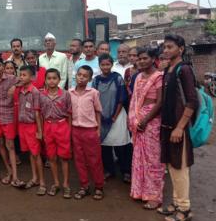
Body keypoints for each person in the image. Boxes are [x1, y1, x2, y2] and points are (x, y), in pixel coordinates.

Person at [159, 34, 198, 221]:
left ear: (180, 49)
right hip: (167, 126)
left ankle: (184, 209)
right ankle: (176, 203)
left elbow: (192, 101)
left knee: (180, 168)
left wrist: (180, 128)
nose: (166, 50)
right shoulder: (168, 70)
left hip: (177, 128)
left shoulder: (184, 70)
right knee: (172, 167)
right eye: (164, 47)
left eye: (170, 47)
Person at [128, 46, 165, 210]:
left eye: (145, 58)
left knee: (153, 160)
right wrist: (136, 119)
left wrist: (146, 119)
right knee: (139, 158)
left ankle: (154, 196)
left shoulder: (158, 77)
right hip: (138, 120)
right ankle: (140, 191)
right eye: (139, 58)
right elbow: (135, 100)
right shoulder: (138, 77)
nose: (141, 61)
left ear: (153, 59)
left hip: (152, 122)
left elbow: (160, 102)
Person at [92, 54, 132, 183]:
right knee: (105, 146)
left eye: (107, 64)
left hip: (117, 116)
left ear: (111, 64)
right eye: (102, 65)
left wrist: (114, 116)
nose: (105, 67)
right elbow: (93, 99)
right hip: (101, 117)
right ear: (99, 65)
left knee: (121, 145)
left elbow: (121, 98)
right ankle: (109, 170)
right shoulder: (96, 80)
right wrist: (99, 116)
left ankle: (126, 171)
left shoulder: (117, 78)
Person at [0, 56, 25, 188]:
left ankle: (15, 176)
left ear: (3, 67)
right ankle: (8, 171)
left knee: (11, 145)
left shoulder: (11, 78)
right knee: (1, 143)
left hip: (8, 115)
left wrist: (15, 86)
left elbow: (27, 80)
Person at [70, 65, 104, 200]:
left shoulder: (93, 93)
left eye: (85, 76)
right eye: (79, 75)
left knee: (94, 160)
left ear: (90, 79)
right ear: (76, 76)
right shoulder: (70, 92)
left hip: (90, 130)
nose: (81, 78)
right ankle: (84, 186)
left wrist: (98, 129)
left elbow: (98, 111)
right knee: (79, 160)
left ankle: (99, 186)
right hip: (75, 130)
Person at [12, 65, 44, 195]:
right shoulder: (19, 90)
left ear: (32, 77)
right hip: (22, 125)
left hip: (32, 126)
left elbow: (37, 113)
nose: (21, 77)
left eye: (24, 75)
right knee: (31, 154)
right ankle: (35, 178)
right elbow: (10, 93)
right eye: (20, 74)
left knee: (36, 154)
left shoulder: (35, 92)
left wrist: (39, 131)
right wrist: (16, 84)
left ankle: (42, 182)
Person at [40, 68, 72, 198]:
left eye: (54, 78)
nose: (52, 81)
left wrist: (68, 130)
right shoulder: (42, 95)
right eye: (49, 78)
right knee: (52, 157)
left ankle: (66, 184)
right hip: (48, 126)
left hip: (62, 126)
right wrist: (41, 131)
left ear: (59, 80)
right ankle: (56, 183)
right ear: (45, 80)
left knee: (64, 157)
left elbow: (70, 114)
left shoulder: (65, 94)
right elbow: (40, 114)